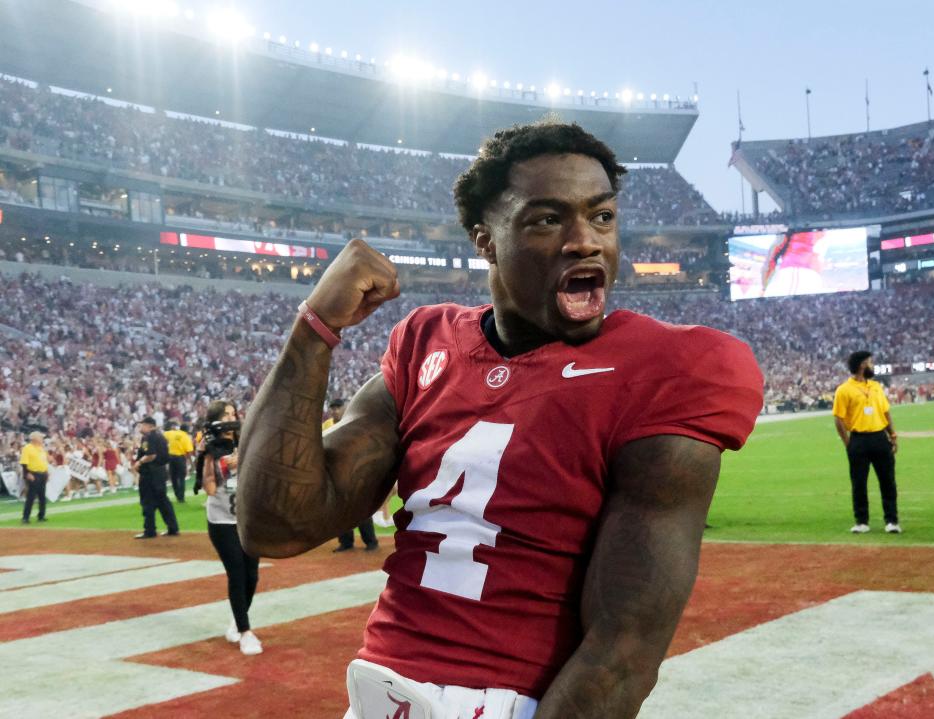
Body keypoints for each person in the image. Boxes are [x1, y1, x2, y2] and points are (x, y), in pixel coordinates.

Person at [237, 120, 764, 719]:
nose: (585, 241)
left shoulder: (669, 368)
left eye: (602, 217)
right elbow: (274, 526)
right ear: (484, 239)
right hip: (379, 697)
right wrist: (314, 330)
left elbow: (624, 652)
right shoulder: (423, 345)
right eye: (546, 219)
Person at [199, 400, 263, 656]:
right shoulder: (211, 448)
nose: (230, 418)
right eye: (224, 414)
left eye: (232, 413)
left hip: (247, 519)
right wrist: (213, 460)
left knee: (252, 576)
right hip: (222, 520)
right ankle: (245, 631)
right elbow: (211, 488)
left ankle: (237, 620)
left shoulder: (245, 440)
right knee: (237, 573)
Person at [832, 350, 900, 534]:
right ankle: (862, 521)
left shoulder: (876, 387)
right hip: (858, 439)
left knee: (888, 481)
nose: (872, 365)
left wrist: (892, 435)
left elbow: (885, 412)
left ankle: (892, 520)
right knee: (859, 482)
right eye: (870, 362)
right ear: (862, 365)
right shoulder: (844, 390)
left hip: (880, 437)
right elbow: (838, 418)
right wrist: (848, 443)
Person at [326, 399, 380, 553]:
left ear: (345, 408)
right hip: (335, 475)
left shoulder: (353, 423)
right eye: (332, 408)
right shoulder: (326, 426)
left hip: (355, 473)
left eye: (337, 408)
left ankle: (371, 541)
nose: (334, 411)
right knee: (339, 512)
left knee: (361, 510)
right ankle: (346, 542)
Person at [133, 416, 179, 539]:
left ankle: (150, 530)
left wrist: (139, 462)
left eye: (142, 425)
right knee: (162, 501)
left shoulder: (150, 437)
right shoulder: (159, 436)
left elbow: (151, 455)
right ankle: (172, 527)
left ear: (150, 426)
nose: (140, 427)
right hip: (159, 472)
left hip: (151, 473)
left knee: (148, 501)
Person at [19, 431, 50, 524]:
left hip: (42, 473)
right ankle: (25, 517)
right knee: (31, 497)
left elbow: (44, 461)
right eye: (41, 437)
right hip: (33, 474)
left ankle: (41, 515)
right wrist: (27, 473)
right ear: (35, 439)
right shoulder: (27, 448)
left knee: (42, 497)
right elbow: (24, 463)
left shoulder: (41, 448)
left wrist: (47, 472)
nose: (42, 439)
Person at [164, 420, 194, 503]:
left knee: (173, 477)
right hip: (180, 458)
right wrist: (191, 464)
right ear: (187, 430)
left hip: (171, 457)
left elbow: (164, 434)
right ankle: (181, 497)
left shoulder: (172, 433)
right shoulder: (186, 437)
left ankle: (177, 494)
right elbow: (188, 452)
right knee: (181, 478)